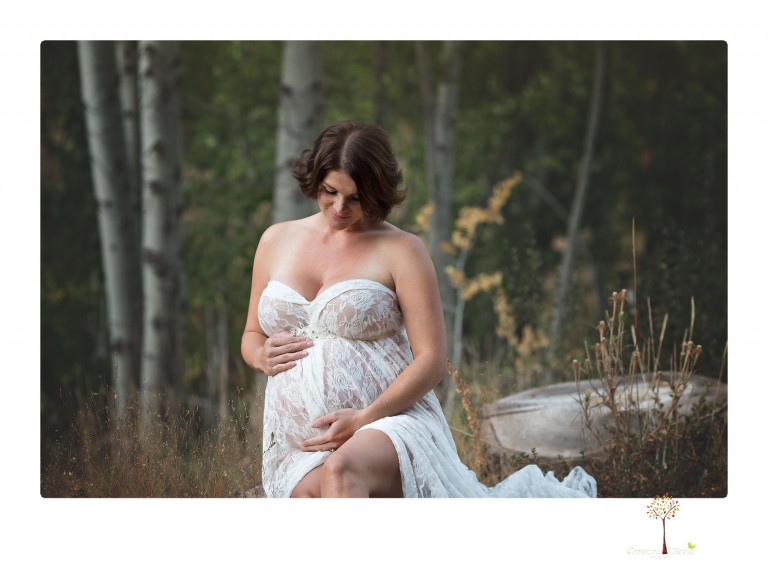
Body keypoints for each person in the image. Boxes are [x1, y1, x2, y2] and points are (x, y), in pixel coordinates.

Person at [241, 120, 596, 498]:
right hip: (301, 441)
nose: (340, 207)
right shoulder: (275, 240)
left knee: (342, 472)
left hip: (390, 423)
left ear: (376, 193)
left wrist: (364, 418)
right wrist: (262, 355)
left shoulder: (402, 249)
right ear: (316, 179)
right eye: (330, 192)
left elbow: (432, 359)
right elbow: (251, 335)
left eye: (356, 198)